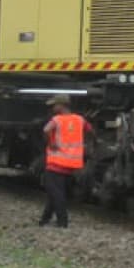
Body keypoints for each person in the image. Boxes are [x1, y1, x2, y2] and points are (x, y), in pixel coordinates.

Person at [39, 95, 91, 228]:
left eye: (54, 105)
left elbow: (46, 130)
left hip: (55, 163)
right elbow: (90, 130)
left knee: (56, 193)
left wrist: (50, 143)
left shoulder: (57, 120)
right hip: (70, 165)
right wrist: (91, 143)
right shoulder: (80, 120)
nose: (52, 108)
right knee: (54, 193)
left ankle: (62, 222)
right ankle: (44, 220)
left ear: (61, 105)